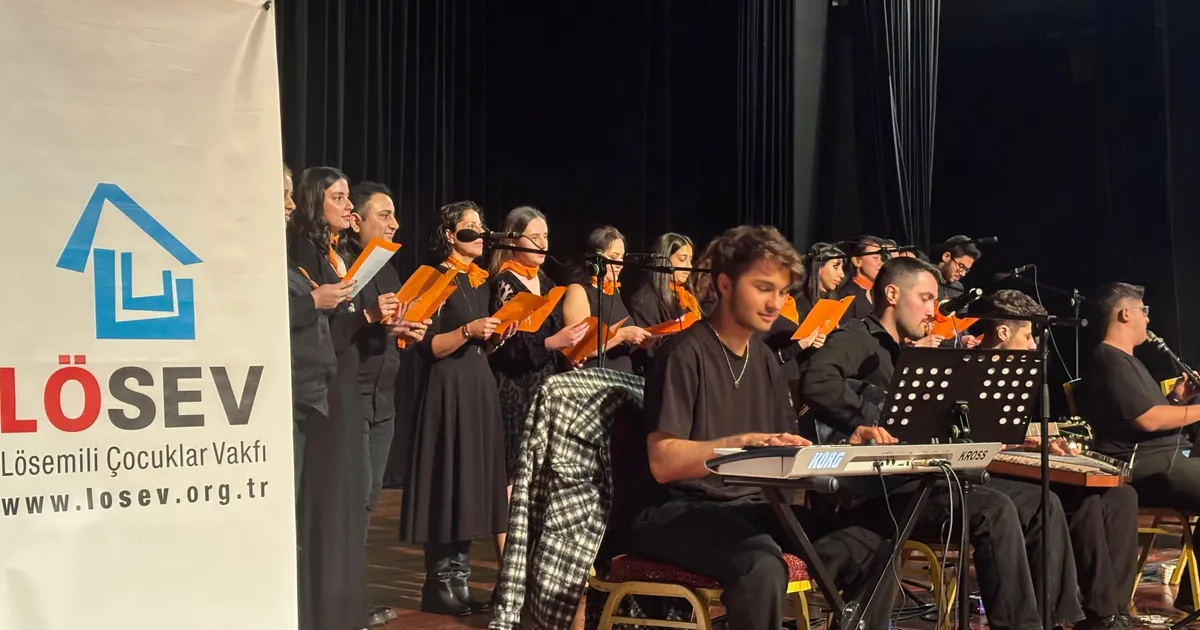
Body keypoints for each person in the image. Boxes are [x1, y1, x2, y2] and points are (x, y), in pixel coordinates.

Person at [623, 225, 897, 630]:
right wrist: (739, 444)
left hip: (752, 507)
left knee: (874, 546)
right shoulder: (683, 353)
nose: (775, 303)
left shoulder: (765, 358)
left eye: (782, 292)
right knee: (761, 565)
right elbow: (663, 462)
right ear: (725, 284)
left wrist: (844, 446)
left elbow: (785, 452)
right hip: (678, 510)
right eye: (763, 288)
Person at [800, 256, 1085, 630]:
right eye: (926, 299)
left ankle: (1055, 622)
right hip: (880, 491)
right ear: (892, 294)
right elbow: (818, 382)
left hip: (919, 478)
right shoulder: (858, 338)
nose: (932, 311)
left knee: (1042, 502)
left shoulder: (908, 352)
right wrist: (875, 421)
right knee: (993, 509)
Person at [288, 166, 410, 630]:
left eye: (346, 197)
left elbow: (346, 324)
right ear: (314, 201)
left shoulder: (337, 254)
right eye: (336, 198)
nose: (346, 207)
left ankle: (344, 597)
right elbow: (326, 330)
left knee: (357, 497)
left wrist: (387, 324)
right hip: (326, 387)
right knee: (334, 500)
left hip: (349, 387)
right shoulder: (302, 253)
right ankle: (324, 601)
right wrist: (363, 315)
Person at [977, 289, 1138, 630]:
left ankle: (1115, 609)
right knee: (1084, 501)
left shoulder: (1016, 374)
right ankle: (1100, 615)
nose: (1034, 345)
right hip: (987, 475)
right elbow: (971, 439)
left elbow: (1004, 433)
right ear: (1003, 332)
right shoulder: (967, 368)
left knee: (1122, 496)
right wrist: (1017, 447)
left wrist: (1033, 443)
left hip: (1011, 462)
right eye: (1027, 335)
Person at [400, 201, 511, 617]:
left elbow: (477, 342)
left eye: (482, 226)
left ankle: (460, 580)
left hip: (477, 384)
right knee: (445, 479)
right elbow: (428, 346)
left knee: (467, 482)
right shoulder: (434, 278)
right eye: (470, 227)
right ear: (450, 235)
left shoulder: (480, 280)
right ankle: (439, 582)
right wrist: (468, 330)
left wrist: (495, 336)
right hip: (447, 388)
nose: (480, 234)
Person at [1078, 282, 1200, 613]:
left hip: (1166, 454)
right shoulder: (1108, 360)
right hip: (1146, 462)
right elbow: (1147, 420)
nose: (1148, 319)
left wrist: (1177, 400)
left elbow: (1149, 412)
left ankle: (1193, 596)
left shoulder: (1129, 361)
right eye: (1143, 311)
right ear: (1125, 314)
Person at [341, 181, 429, 627]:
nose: (394, 223)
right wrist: (371, 317)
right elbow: (336, 330)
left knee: (369, 498)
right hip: (349, 396)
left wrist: (405, 332)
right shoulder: (342, 266)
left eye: (394, 215)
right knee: (353, 498)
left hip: (384, 400)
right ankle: (343, 596)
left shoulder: (389, 270)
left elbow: (388, 331)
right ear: (356, 221)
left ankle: (353, 592)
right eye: (384, 214)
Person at [488, 207, 590, 491]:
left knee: (541, 470)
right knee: (516, 471)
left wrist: (568, 354)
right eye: (535, 237)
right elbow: (505, 346)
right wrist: (552, 343)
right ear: (513, 240)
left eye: (545, 236)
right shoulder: (505, 283)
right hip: (515, 387)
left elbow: (554, 331)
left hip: (545, 384)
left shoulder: (546, 283)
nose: (543, 244)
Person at [561, 226, 651, 373]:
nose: (619, 264)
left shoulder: (614, 291)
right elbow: (577, 349)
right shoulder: (578, 291)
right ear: (595, 260)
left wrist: (639, 340)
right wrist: (622, 334)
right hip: (593, 380)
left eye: (622, 257)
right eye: (614, 257)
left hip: (621, 379)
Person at [762, 242, 845, 384]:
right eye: (836, 267)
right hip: (797, 377)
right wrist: (807, 344)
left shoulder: (833, 300)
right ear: (818, 268)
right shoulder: (795, 302)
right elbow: (784, 350)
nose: (841, 274)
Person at [624, 232, 701, 373]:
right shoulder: (645, 300)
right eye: (682, 259)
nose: (689, 266)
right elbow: (647, 352)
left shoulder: (685, 297)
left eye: (690, 260)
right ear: (665, 261)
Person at [836, 235, 887, 322]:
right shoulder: (847, 296)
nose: (881, 263)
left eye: (881, 258)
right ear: (857, 261)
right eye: (875, 257)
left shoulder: (882, 292)